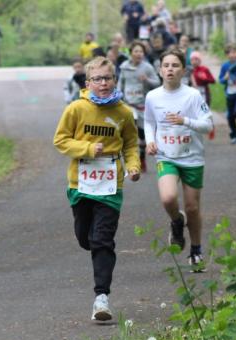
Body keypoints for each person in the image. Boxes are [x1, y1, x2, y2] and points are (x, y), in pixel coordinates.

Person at [53, 57, 141, 322]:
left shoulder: (124, 112)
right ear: (88, 82)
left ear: (115, 80)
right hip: (80, 185)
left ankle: (101, 297)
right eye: (98, 79)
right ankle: (93, 248)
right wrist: (88, 148)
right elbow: (60, 140)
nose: (103, 83)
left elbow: (131, 144)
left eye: (108, 78)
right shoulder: (76, 109)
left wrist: (133, 166)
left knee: (102, 240)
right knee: (86, 238)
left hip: (110, 185)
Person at [144, 48, 214, 272]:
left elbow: (208, 125)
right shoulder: (153, 96)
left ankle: (196, 250)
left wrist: (185, 121)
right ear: (160, 70)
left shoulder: (193, 95)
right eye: (166, 65)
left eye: (175, 65)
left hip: (192, 157)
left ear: (183, 70)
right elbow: (149, 122)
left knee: (192, 208)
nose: (170, 69)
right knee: (168, 198)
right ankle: (176, 221)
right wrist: (150, 141)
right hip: (166, 156)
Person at [118, 41, 161, 172]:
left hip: (142, 105)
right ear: (131, 53)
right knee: (131, 130)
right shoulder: (124, 66)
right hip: (128, 104)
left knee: (142, 135)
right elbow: (120, 83)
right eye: (136, 51)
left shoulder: (147, 67)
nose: (138, 54)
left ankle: (142, 157)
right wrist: (118, 96)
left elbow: (157, 82)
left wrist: (146, 80)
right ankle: (131, 159)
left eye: (141, 51)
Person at [219, 44, 236, 144]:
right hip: (230, 94)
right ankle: (234, 136)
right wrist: (225, 78)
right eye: (231, 53)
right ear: (227, 55)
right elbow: (221, 80)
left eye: (235, 52)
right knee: (230, 116)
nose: (234, 55)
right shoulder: (225, 66)